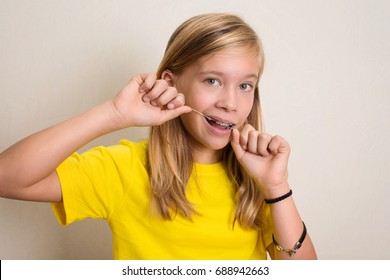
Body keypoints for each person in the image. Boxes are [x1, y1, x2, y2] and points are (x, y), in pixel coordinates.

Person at [0, 13, 317, 260]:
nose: (231, 103)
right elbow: (7, 177)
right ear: (171, 82)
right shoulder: (125, 168)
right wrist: (114, 113)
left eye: (245, 85)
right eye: (212, 80)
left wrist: (276, 188)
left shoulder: (256, 180)